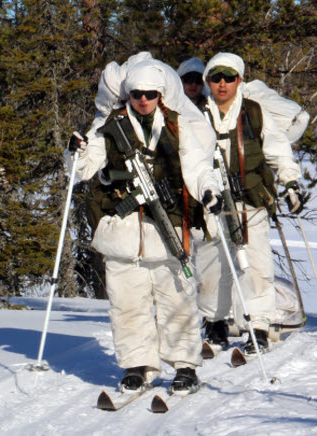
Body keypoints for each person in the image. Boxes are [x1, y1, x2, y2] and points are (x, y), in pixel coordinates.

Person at [70, 59, 221, 395]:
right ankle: (137, 365)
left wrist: (211, 192)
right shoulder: (109, 126)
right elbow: (84, 168)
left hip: (167, 230)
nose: (143, 100)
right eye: (137, 93)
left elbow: (197, 168)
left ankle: (184, 366)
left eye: (150, 94)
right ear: (128, 94)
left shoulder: (177, 127)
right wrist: (77, 152)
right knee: (127, 303)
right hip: (122, 234)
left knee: (177, 301)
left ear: (160, 95)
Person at [191, 52, 307, 355]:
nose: (222, 84)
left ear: (239, 80)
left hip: (249, 199)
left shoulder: (254, 112)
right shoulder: (196, 114)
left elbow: (277, 148)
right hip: (210, 201)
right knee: (211, 264)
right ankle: (215, 323)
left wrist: (290, 181)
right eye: (216, 78)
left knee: (256, 264)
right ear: (208, 81)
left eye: (229, 77)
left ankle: (259, 326)